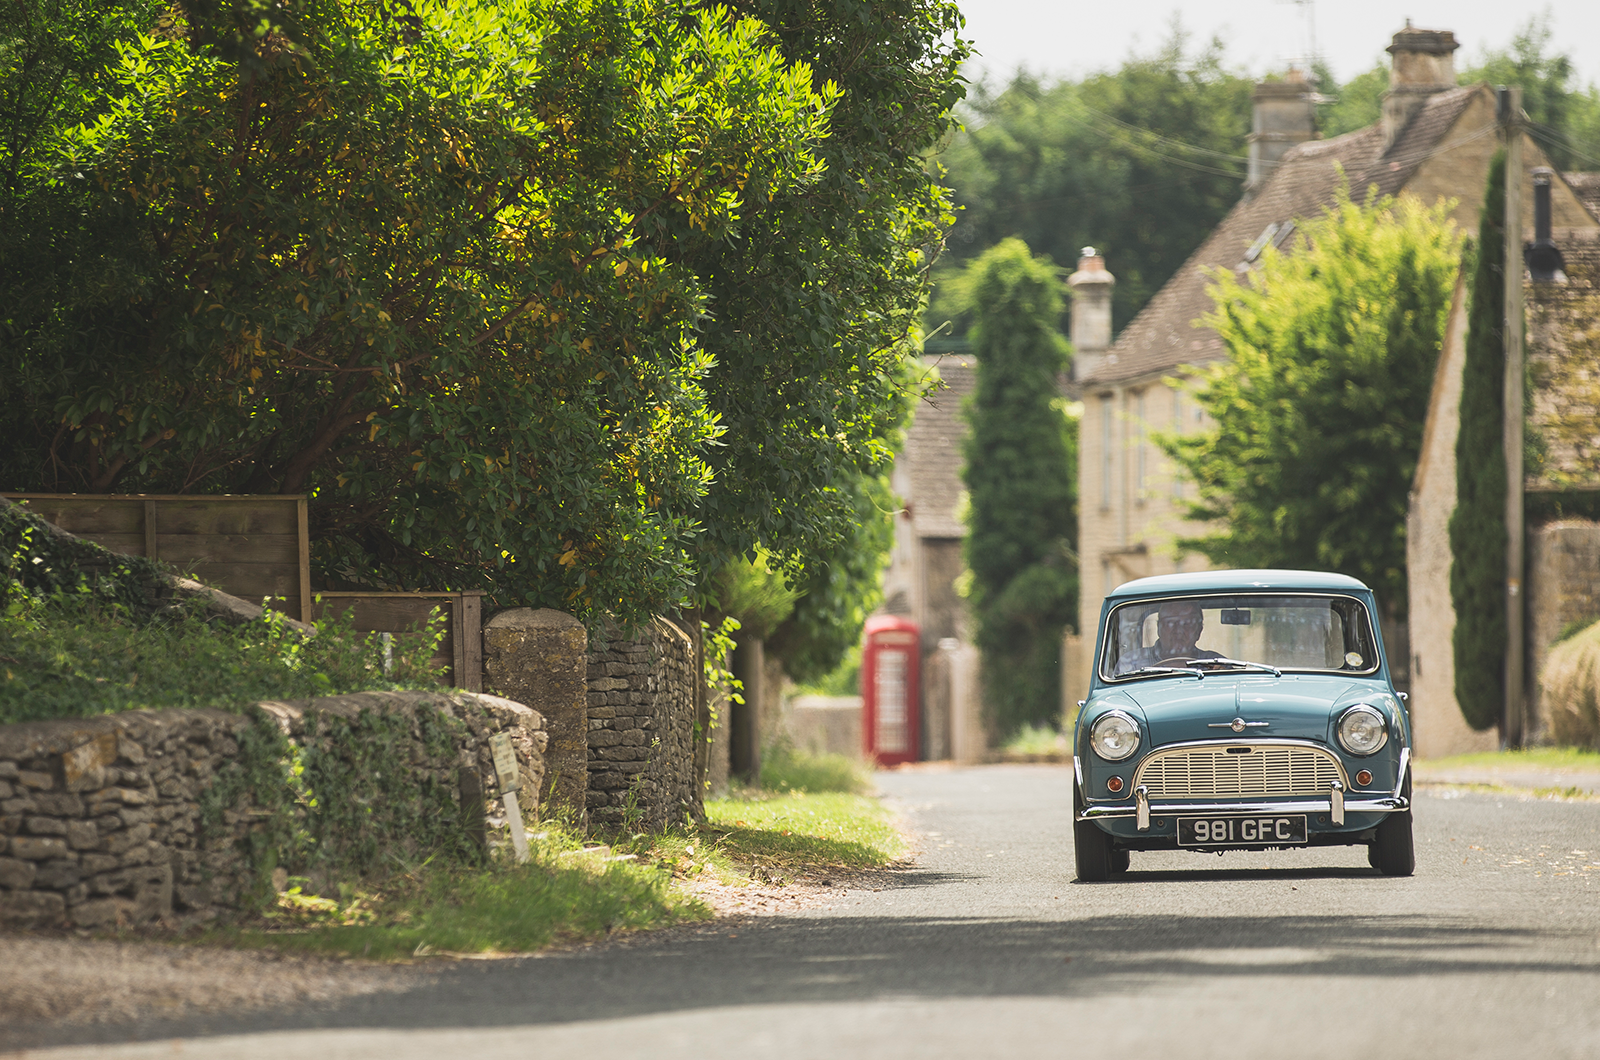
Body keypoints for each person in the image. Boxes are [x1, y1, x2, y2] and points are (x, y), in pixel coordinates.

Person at [1116, 600, 1223, 674]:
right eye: (1170, 623)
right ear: (1159, 628)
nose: (1178, 631)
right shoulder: (1131, 662)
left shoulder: (1216, 663)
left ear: (1199, 630)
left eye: (1187, 624)